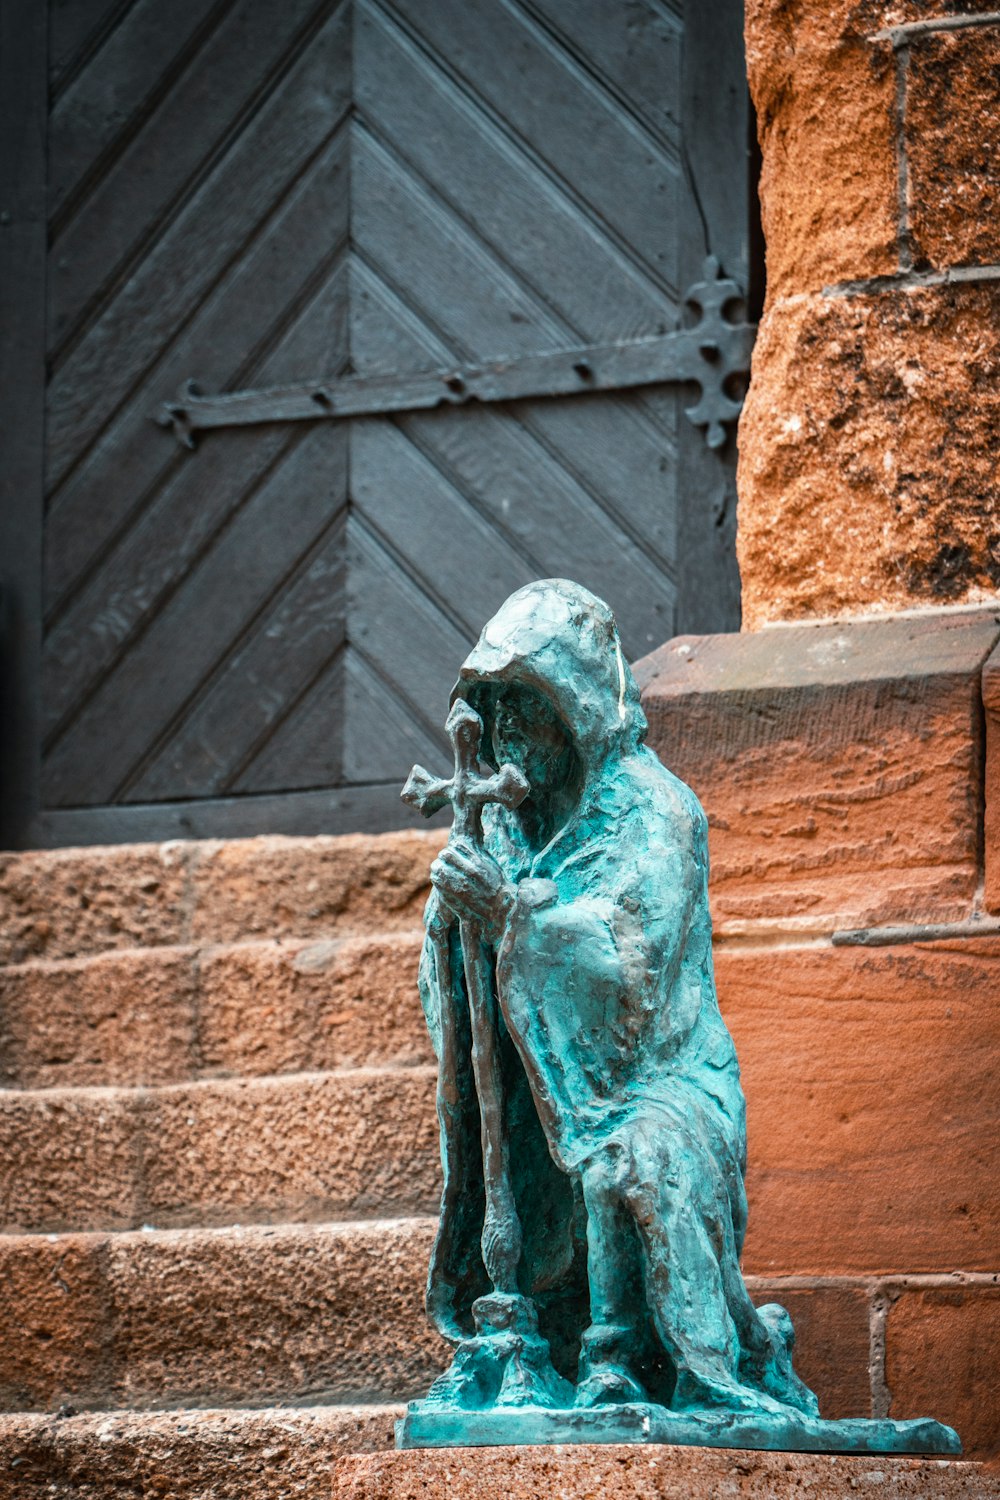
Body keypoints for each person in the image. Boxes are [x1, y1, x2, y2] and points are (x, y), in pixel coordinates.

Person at [420, 578, 817, 1416]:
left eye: (528, 709)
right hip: (547, 1081)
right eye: (496, 712)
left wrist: (513, 914)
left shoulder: (656, 814)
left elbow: (627, 967)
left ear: (579, 711)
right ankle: (524, 1339)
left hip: (664, 1081)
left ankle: (618, 1352)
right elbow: (454, 979)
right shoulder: (498, 821)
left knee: (631, 1153)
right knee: (536, 1142)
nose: (509, 735)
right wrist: (454, 922)